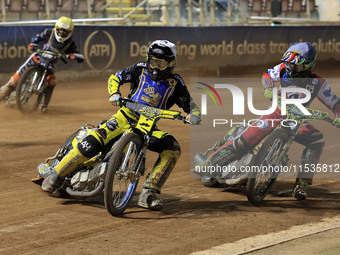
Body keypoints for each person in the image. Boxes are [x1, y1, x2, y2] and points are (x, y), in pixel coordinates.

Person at [40, 40, 201, 210]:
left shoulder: (176, 83)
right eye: (152, 61)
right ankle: (57, 174)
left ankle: (149, 192)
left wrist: (194, 115)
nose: (155, 66)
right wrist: (114, 93)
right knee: (95, 139)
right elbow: (115, 78)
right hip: (124, 117)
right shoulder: (139, 68)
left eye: (160, 63)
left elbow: (190, 105)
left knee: (173, 148)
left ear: (171, 64)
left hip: (149, 127)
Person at [195, 42, 340, 200]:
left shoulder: (319, 83)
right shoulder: (283, 68)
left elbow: (335, 103)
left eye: (296, 66)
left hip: (298, 121)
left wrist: (338, 116)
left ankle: (302, 184)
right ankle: (209, 164)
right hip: (276, 113)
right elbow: (267, 75)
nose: (291, 68)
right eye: (289, 64)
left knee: (317, 140)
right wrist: (268, 88)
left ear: (308, 66)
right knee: (245, 140)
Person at [0, 16, 84, 113]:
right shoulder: (48, 32)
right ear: (56, 28)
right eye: (60, 31)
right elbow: (37, 38)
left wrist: (75, 56)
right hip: (37, 58)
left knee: (51, 81)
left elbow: (79, 55)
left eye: (65, 32)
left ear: (70, 32)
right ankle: (4, 92)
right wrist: (33, 43)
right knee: (18, 75)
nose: (62, 33)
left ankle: (43, 105)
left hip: (49, 64)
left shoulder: (70, 43)